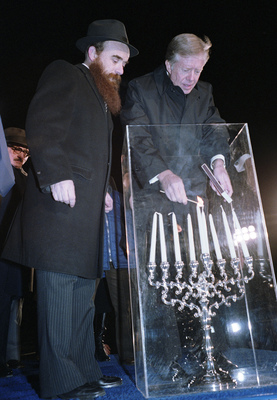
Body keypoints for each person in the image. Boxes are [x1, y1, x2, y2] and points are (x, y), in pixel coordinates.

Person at [2, 19, 138, 400]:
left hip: (85, 211)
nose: (121, 68)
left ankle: (84, 372)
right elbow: (44, 122)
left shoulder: (99, 94)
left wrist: (106, 191)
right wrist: (56, 173)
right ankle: (63, 384)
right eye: (116, 58)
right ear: (92, 53)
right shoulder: (65, 73)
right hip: (58, 209)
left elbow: (91, 156)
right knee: (61, 292)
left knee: (82, 295)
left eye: (125, 63)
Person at [120, 33, 233, 382]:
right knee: (162, 284)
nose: (192, 78)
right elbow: (136, 137)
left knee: (201, 278)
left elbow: (213, 131)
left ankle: (206, 353)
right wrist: (164, 173)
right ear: (169, 65)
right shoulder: (140, 88)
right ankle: (161, 362)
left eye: (198, 71)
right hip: (154, 200)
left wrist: (218, 165)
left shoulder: (204, 92)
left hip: (194, 201)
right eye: (186, 70)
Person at [0, 127, 29, 378]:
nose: (21, 154)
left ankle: (11, 356)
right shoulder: (3, 177)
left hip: (17, 255)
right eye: (15, 148)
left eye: (25, 151)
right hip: (2, 251)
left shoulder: (26, 179)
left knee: (13, 306)